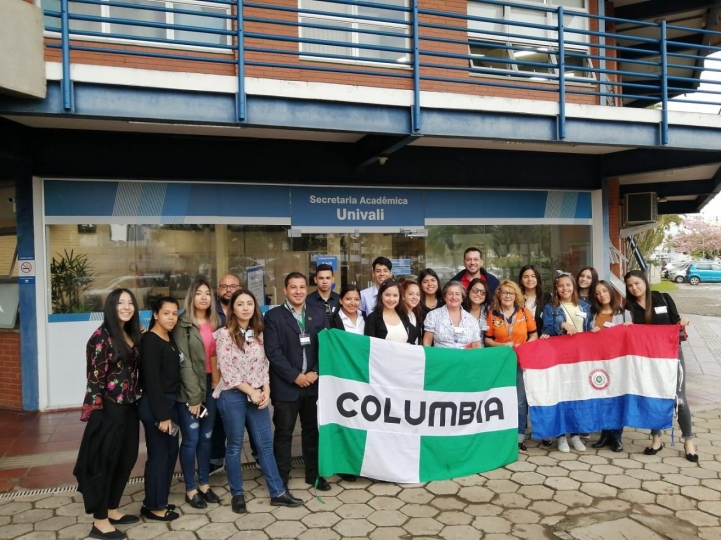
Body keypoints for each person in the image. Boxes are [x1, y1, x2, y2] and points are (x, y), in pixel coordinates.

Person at [214, 289, 303, 513]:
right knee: (234, 446)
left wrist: (266, 390)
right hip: (233, 395)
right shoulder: (223, 334)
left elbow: (265, 365)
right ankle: (237, 494)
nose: (245, 307)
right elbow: (227, 371)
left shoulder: (260, 333)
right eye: (240, 304)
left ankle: (278, 492)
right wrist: (251, 392)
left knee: (265, 445)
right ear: (232, 308)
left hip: (258, 394)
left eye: (250, 304)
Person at [76, 289, 142, 540]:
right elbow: (94, 379)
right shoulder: (101, 337)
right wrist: (96, 413)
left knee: (127, 457)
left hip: (130, 406)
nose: (126, 307)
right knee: (106, 462)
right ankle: (100, 521)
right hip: (109, 409)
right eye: (120, 303)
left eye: (130, 303)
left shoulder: (131, 334)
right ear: (111, 307)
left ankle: (112, 508)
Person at [264, 272, 332, 491]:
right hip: (286, 386)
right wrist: (295, 376)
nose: (298, 291)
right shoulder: (274, 316)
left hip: (313, 384)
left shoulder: (318, 312)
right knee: (284, 433)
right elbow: (273, 352)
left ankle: (313, 475)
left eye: (302, 287)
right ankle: (281, 478)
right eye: (293, 287)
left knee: (312, 431)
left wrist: (316, 372)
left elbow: (327, 345)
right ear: (285, 290)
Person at [624, 270, 697, 462]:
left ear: (645, 282)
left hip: (671, 356)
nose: (634, 288)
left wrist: (683, 322)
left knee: (679, 398)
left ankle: (688, 441)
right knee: (654, 395)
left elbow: (675, 321)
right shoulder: (630, 306)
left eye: (637, 283)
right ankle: (656, 439)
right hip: (648, 358)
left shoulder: (662, 298)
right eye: (630, 285)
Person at [172, 277, 222, 509]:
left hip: (212, 386)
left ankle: (204, 484)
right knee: (190, 439)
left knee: (206, 438)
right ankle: (190, 489)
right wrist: (194, 397)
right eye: (199, 293)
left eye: (207, 293)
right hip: (190, 389)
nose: (204, 297)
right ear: (192, 297)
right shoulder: (182, 324)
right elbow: (185, 364)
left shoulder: (216, 322)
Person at [137, 297, 181, 522]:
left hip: (170, 403)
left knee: (171, 451)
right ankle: (154, 506)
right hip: (157, 405)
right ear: (155, 314)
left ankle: (158, 499)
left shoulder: (169, 337)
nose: (171, 317)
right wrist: (162, 415)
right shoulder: (151, 341)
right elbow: (152, 380)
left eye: (174, 313)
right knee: (159, 455)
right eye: (166, 313)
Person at [540, 271, 592, 453]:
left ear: (573, 286)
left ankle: (575, 435)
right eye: (561, 285)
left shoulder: (585, 306)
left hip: (580, 358)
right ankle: (561, 436)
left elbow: (589, 329)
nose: (565, 288)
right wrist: (561, 325)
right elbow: (546, 329)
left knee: (577, 395)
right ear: (556, 288)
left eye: (568, 285)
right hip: (560, 358)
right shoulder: (550, 307)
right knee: (561, 396)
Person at [485, 280, 538, 453]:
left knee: (520, 402)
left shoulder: (524, 313)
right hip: (499, 364)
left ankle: (519, 438)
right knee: (499, 399)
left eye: (511, 293)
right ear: (498, 295)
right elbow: (487, 339)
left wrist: (524, 347)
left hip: (520, 363)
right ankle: (499, 435)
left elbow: (534, 335)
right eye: (504, 292)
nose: (507, 296)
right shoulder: (492, 314)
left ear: (516, 296)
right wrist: (501, 346)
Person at [329, 284, 365, 481]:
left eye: (356, 299)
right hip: (342, 378)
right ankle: (345, 464)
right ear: (341, 300)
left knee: (362, 421)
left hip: (363, 378)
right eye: (349, 299)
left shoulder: (367, 319)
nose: (353, 303)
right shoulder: (331, 321)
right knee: (344, 420)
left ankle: (360, 462)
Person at [589, 280, 628, 453]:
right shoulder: (592, 313)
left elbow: (629, 337)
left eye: (604, 291)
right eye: (598, 293)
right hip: (599, 362)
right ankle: (605, 434)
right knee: (603, 396)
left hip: (618, 361)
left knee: (617, 397)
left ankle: (617, 436)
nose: (601, 295)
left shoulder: (624, 313)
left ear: (611, 292)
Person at [210, 274, 242, 473]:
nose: (228, 290)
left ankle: (257, 455)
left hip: (247, 378)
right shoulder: (209, 312)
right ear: (218, 289)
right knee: (217, 419)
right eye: (224, 286)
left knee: (248, 419)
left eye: (233, 286)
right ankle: (215, 459)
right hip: (216, 376)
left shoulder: (248, 308)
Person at [422, 281, 481, 349]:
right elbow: (427, 342)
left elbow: (476, 345)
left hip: (465, 359)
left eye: (457, 294)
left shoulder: (472, 320)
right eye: (450, 294)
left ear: (462, 298)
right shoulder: (433, 315)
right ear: (445, 297)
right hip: (441, 358)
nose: (454, 297)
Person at [365, 279, 420, 344]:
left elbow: (411, 342)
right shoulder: (373, 318)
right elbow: (369, 345)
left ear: (400, 296)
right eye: (387, 295)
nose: (391, 299)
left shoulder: (403, 315)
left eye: (395, 295)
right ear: (380, 295)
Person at [519, 265, 552, 332]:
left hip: (542, 337)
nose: (530, 279)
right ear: (521, 280)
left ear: (538, 279)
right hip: (521, 339)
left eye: (533, 276)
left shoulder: (547, 297)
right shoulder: (515, 298)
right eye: (526, 277)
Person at [465, 277, 490, 346]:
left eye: (483, 292)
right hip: (463, 352)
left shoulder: (489, 311)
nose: (479, 294)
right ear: (468, 291)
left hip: (481, 352)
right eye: (475, 290)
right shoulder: (459, 310)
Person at [400, 279, 423, 344]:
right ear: (403, 296)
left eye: (418, 294)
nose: (415, 297)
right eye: (411, 294)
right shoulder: (398, 316)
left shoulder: (414, 314)